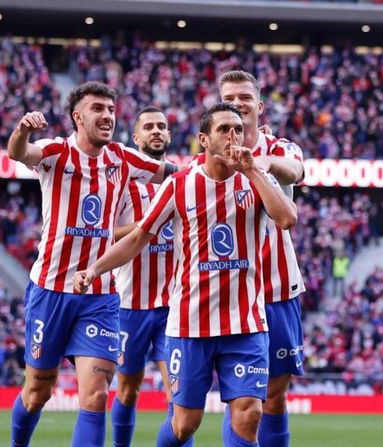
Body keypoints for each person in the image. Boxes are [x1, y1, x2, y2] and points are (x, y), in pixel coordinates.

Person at [74, 103, 297, 447]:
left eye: (238, 129)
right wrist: (94, 268)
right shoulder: (180, 185)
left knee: (250, 413)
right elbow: (138, 238)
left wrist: (253, 170)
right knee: (184, 425)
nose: (233, 136)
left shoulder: (255, 179)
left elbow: (287, 219)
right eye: (224, 129)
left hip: (246, 323)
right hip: (191, 324)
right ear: (204, 139)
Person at [6, 81, 177, 447]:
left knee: (96, 396)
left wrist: (223, 163)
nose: (107, 116)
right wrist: (21, 130)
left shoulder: (122, 158)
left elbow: (174, 172)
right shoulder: (56, 152)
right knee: (38, 391)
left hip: (100, 296)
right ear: (77, 117)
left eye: (111, 110)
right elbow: (19, 153)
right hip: (51, 290)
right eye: (97, 108)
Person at [217, 70, 306, 447]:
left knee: (274, 396)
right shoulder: (210, 160)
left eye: (245, 97)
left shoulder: (281, 148)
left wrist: (261, 163)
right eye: (229, 98)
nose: (238, 104)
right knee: (241, 398)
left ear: (260, 106)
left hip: (278, 290)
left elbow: (296, 171)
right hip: (231, 295)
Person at [110, 107, 192, 447]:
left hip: (174, 307)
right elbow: (105, 232)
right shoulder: (123, 183)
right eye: (149, 127)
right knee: (128, 390)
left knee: (179, 396)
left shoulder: (185, 182)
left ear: (169, 135)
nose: (156, 131)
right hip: (131, 306)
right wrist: (146, 226)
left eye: (161, 126)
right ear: (136, 137)